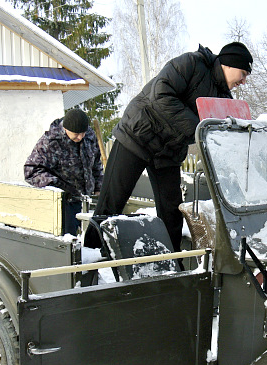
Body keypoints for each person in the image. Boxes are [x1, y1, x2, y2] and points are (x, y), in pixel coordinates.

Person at [94, 42, 253, 251]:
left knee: (172, 215)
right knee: (110, 204)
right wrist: (198, 127)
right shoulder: (191, 63)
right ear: (228, 64)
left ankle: (172, 262)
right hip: (137, 135)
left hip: (168, 152)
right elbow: (161, 94)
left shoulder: (223, 98)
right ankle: (89, 258)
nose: (243, 81)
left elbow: (219, 137)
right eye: (243, 74)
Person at [24, 108, 104, 234]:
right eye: (76, 134)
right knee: (70, 240)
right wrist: (58, 186)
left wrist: (99, 188)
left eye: (83, 133)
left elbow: (96, 165)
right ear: (65, 129)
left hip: (87, 201)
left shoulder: (89, 136)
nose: (80, 137)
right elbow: (31, 171)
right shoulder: (50, 142)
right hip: (63, 205)